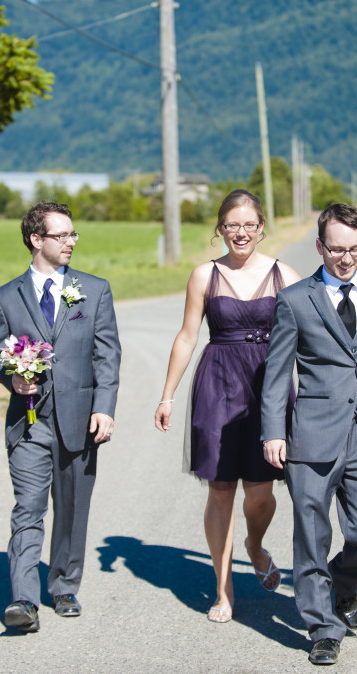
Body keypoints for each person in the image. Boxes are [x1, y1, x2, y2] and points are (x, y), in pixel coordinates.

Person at [260, 203, 357, 666]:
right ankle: (322, 627)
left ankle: (343, 588)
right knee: (311, 535)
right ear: (320, 246)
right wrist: (272, 431)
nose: (346, 259)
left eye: (356, 250)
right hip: (311, 432)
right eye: (338, 249)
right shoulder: (296, 300)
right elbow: (277, 371)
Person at [154, 189, 301, 623]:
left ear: (261, 228)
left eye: (249, 225)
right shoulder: (204, 275)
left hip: (267, 390)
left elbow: (308, 338)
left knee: (260, 494)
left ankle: (255, 547)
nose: (241, 233)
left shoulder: (284, 275)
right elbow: (186, 336)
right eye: (232, 225)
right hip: (217, 384)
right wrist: (167, 394)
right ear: (220, 229)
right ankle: (223, 589)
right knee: (220, 490)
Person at [0, 201, 121, 633]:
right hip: (28, 422)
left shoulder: (94, 290)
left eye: (73, 234)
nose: (71, 242)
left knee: (72, 508)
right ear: (36, 239)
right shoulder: (6, 297)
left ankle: (63, 584)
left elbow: (107, 355)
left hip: (80, 419)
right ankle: (23, 599)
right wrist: (12, 378)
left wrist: (104, 407)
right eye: (61, 235)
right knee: (28, 508)